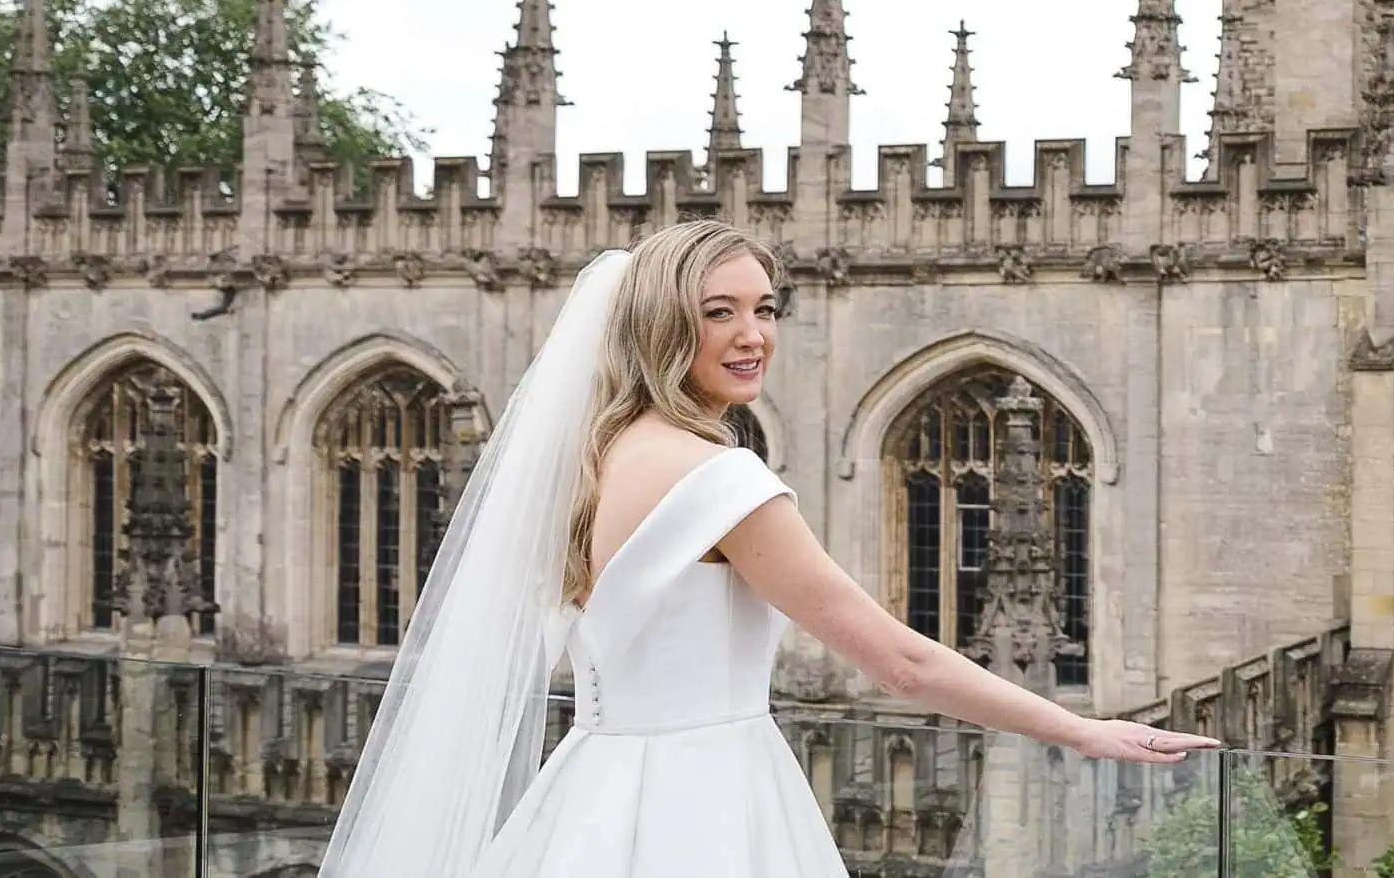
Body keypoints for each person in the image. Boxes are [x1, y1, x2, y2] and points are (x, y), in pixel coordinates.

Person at [320, 221, 1213, 877]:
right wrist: (1080, 728)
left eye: (764, 307)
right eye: (719, 312)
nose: (753, 335)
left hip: (588, 792)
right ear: (663, 324)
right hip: (705, 801)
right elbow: (898, 662)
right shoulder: (719, 478)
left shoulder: (596, 453)